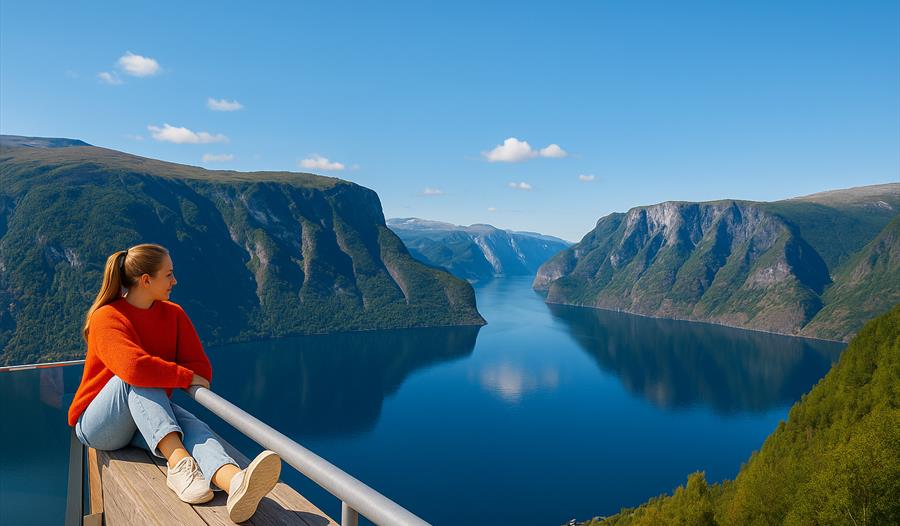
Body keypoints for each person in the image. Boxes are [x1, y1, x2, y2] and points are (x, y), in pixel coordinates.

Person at [68, 243, 281, 523]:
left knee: (193, 426)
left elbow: (201, 369)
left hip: (145, 413)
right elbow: (134, 368)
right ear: (146, 280)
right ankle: (180, 466)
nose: (174, 281)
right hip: (98, 426)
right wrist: (179, 375)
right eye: (168, 275)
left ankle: (235, 483)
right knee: (133, 380)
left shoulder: (174, 314)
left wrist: (172, 373)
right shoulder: (107, 317)